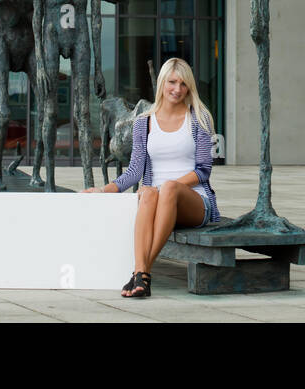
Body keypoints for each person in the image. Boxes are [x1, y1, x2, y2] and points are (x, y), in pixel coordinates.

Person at [81, 57, 219, 298]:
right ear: (162, 83)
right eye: (172, 82)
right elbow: (134, 171)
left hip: (194, 201)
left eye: (184, 84)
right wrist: (104, 190)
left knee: (167, 189)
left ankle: (140, 271)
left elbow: (203, 170)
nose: (178, 89)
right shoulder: (143, 123)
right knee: (146, 192)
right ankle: (141, 278)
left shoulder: (199, 118)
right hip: (156, 200)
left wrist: (171, 185)